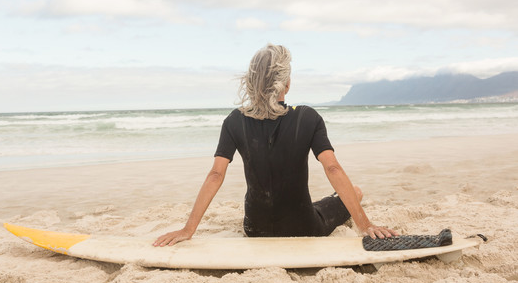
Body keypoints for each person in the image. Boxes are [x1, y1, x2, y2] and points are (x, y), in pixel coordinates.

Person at [153, 44, 398, 247]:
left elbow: (216, 174)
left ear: (252, 81)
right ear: (286, 84)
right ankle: (349, 197)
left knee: (312, 202)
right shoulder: (307, 117)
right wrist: (365, 226)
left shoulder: (234, 120)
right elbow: (332, 168)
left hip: (255, 229)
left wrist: (188, 229)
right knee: (354, 191)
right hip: (303, 227)